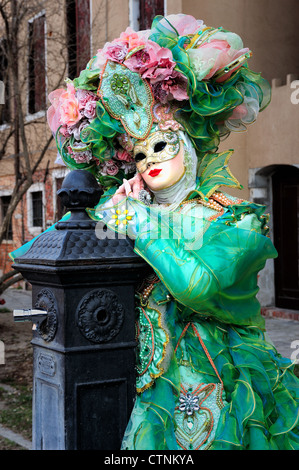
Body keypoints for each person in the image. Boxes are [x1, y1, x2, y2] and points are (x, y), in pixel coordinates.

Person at [14, 14, 299, 450]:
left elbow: (197, 287)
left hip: (215, 387)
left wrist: (136, 219)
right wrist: (121, 210)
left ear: (187, 140)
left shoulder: (234, 217)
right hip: (140, 388)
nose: (149, 160)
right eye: (139, 154)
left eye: (161, 144)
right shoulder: (136, 211)